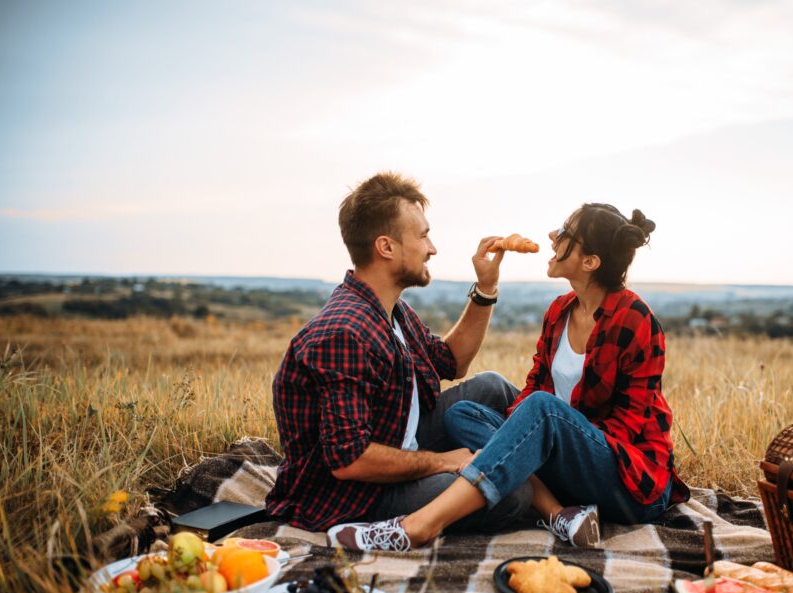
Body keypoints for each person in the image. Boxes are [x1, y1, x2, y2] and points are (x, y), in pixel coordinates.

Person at [328, 203, 690, 552]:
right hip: (569, 464)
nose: (552, 235)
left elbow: (630, 424)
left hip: (627, 480)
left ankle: (419, 526)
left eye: (566, 232)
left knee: (542, 411)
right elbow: (533, 383)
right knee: (463, 414)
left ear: (590, 262)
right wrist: (522, 440)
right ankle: (559, 514)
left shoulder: (635, 319)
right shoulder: (560, 312)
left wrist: (550, 443)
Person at [265, 172, 533, 533]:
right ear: (386, 247)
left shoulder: (392, 310)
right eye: (423, 236)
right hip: (357, 495)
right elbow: (350, 461)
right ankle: (545, 487)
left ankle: (556, 463)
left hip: (399, 440)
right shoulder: (345, 333)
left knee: (492, 387)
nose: (432, 248)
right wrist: (441, 462)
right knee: (513, 493)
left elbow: (452, 362)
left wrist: (486, 287)